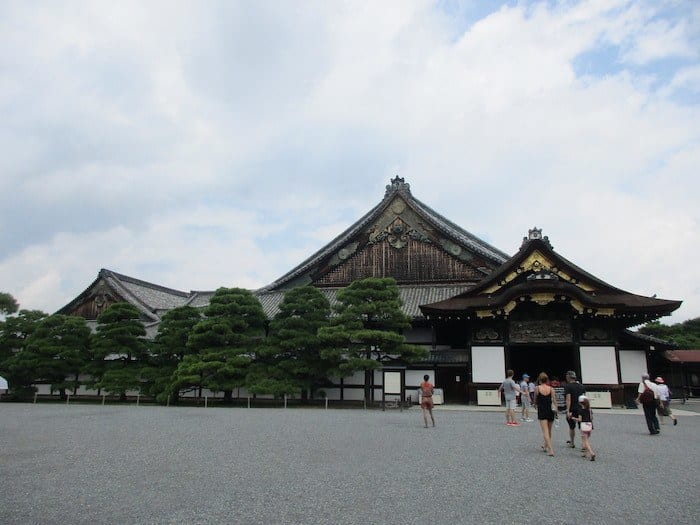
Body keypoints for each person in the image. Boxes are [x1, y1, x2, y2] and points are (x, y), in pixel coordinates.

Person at [534, 372, 557, 456]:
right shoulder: (551, 389)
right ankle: (546, 445)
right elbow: (554, 400)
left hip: (542, 410)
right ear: (547, 380)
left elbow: (535, 399)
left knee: (545, 431)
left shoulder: (537, 388)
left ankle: (550, 449)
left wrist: (535, 405)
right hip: (550, 410)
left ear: (539, 380)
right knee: (549, 430)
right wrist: (556, 410)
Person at [564, 370, 586, 449]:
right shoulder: (581, 386)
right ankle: (584, 444)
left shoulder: (568, 386)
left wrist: (568, 410)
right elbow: (584, 398)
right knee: (582, 427)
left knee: (572, 427)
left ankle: (572, 442)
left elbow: (568, 399)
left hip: (572, 409)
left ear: (568, 377)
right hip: (581, 408)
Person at [574, 395, 596, 461]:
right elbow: (592, 418)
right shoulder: (590, 410)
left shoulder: (581, 410)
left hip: (583, 426)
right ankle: (585, 453)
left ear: (580, 403)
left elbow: (580, 419)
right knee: (586, 439)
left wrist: (574, 418)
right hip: (589, 425)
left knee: (585, 441)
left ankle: (592, 453)